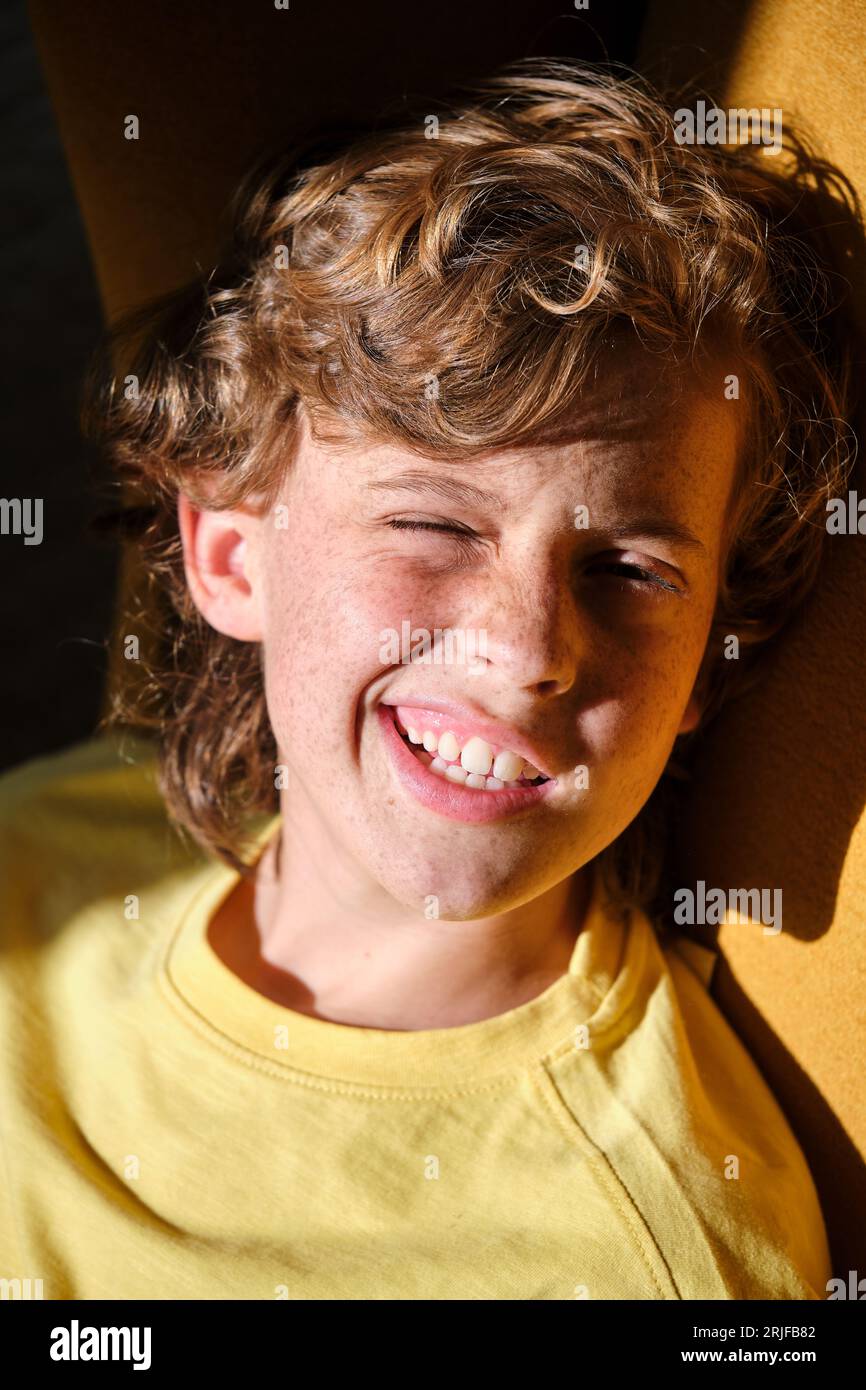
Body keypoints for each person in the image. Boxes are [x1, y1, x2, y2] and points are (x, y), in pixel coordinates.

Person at [0, 56, 854, 1300]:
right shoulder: (38, 848)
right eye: (435, 527)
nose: (524, 649)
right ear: (232, 555)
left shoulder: (667, 1264)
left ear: (710, 663)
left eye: (625, 567)